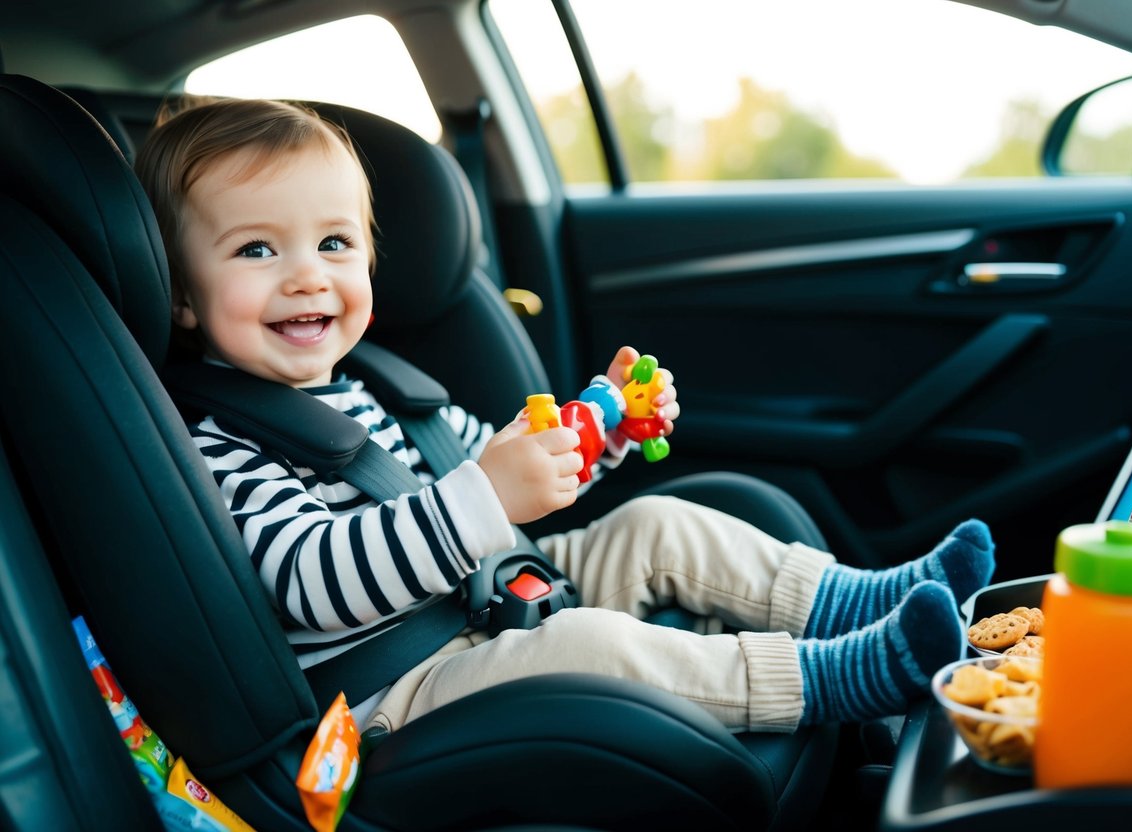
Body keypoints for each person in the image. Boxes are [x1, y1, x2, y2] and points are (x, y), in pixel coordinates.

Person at [134, 97, 995, 736]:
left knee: (659, 521)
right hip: (392, 684)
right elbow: (311, 584)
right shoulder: (215, 442)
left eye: (334, 244)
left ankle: (860, 600)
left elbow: (508, 464)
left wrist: (601, 434)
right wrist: (481, 500)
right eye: (256, 249)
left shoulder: (377, 384)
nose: (306, 276)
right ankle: (841, 676)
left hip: (492, 590)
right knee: (589, 645)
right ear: (179, 294)